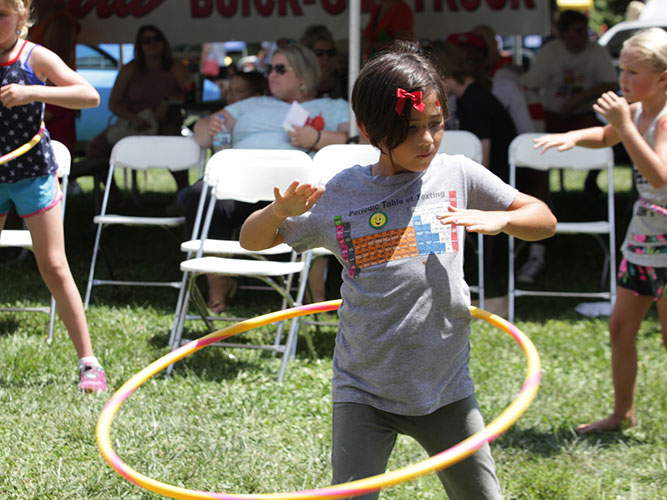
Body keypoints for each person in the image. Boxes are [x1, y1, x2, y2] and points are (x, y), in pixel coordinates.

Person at [239, 41, 556, 499]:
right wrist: (276, 211)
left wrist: (503, 219)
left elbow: (544, 220)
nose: (427, 140)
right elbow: (252, 241)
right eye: (410, 129)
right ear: (369, 129)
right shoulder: (342, 194)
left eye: (436, 124)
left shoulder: (458, 175)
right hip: (363, 390)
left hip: (445, 386)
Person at [534, 27, 667, 434]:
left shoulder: (661, 120)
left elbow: (659, 176)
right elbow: (607, 135)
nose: (622, 80)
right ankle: (622, 413)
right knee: (620, 328)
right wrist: (573, 136)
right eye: (620, 70)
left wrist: (624, 126)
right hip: (644, 237)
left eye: (632, 72)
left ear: (663, 77)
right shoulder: (639, 111)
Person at [191, 43, 349, 311]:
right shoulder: (253, 104)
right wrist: (209, 125)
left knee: (319, 206)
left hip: (295, 194)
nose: (271, 75)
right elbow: (201, 133)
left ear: (303, 74)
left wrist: (319, 138)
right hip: (238, 186)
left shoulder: (334, 107)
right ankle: (219, 287)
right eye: (269, 69)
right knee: (198, 195)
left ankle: (314, 299)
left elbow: (356, 142)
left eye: (279, 69)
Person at [0, 0, 106, 392]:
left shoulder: (35, 56)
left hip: (32, 173)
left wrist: (31, 92)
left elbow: (89, 96)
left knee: (54, 267)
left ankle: (88, 362)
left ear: (23, 17)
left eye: (1, 14)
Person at [519, 10, 618, 284]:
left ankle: (591, 186)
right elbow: (530, 85)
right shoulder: (550, 53)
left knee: (607, 149)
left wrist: (580, 98)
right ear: (562, 32)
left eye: (584, 29)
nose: (582, 36)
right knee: (536, 170)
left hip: (584, 119)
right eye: (575, 30)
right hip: (552, 119)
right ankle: (537, 244)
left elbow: (612, 83)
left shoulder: (595, 52)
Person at [81, 25, 192, 205]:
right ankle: (114, 195)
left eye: (156, 39)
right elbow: (114, 103)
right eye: (146, 41)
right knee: (95, 148)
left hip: (165, 123)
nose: (152, 44)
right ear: (139, 46)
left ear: (163, 42)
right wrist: (135, 119)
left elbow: (189, 93)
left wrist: (168, 102)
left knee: (175, 145)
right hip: (133, 124)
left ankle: (183, 196)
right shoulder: (129, 69)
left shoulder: (175, 67)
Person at [300, 25, 347, 99]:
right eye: (319, 53)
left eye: (330, 52)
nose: (325, 57)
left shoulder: (346, 80)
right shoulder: (300, 83)